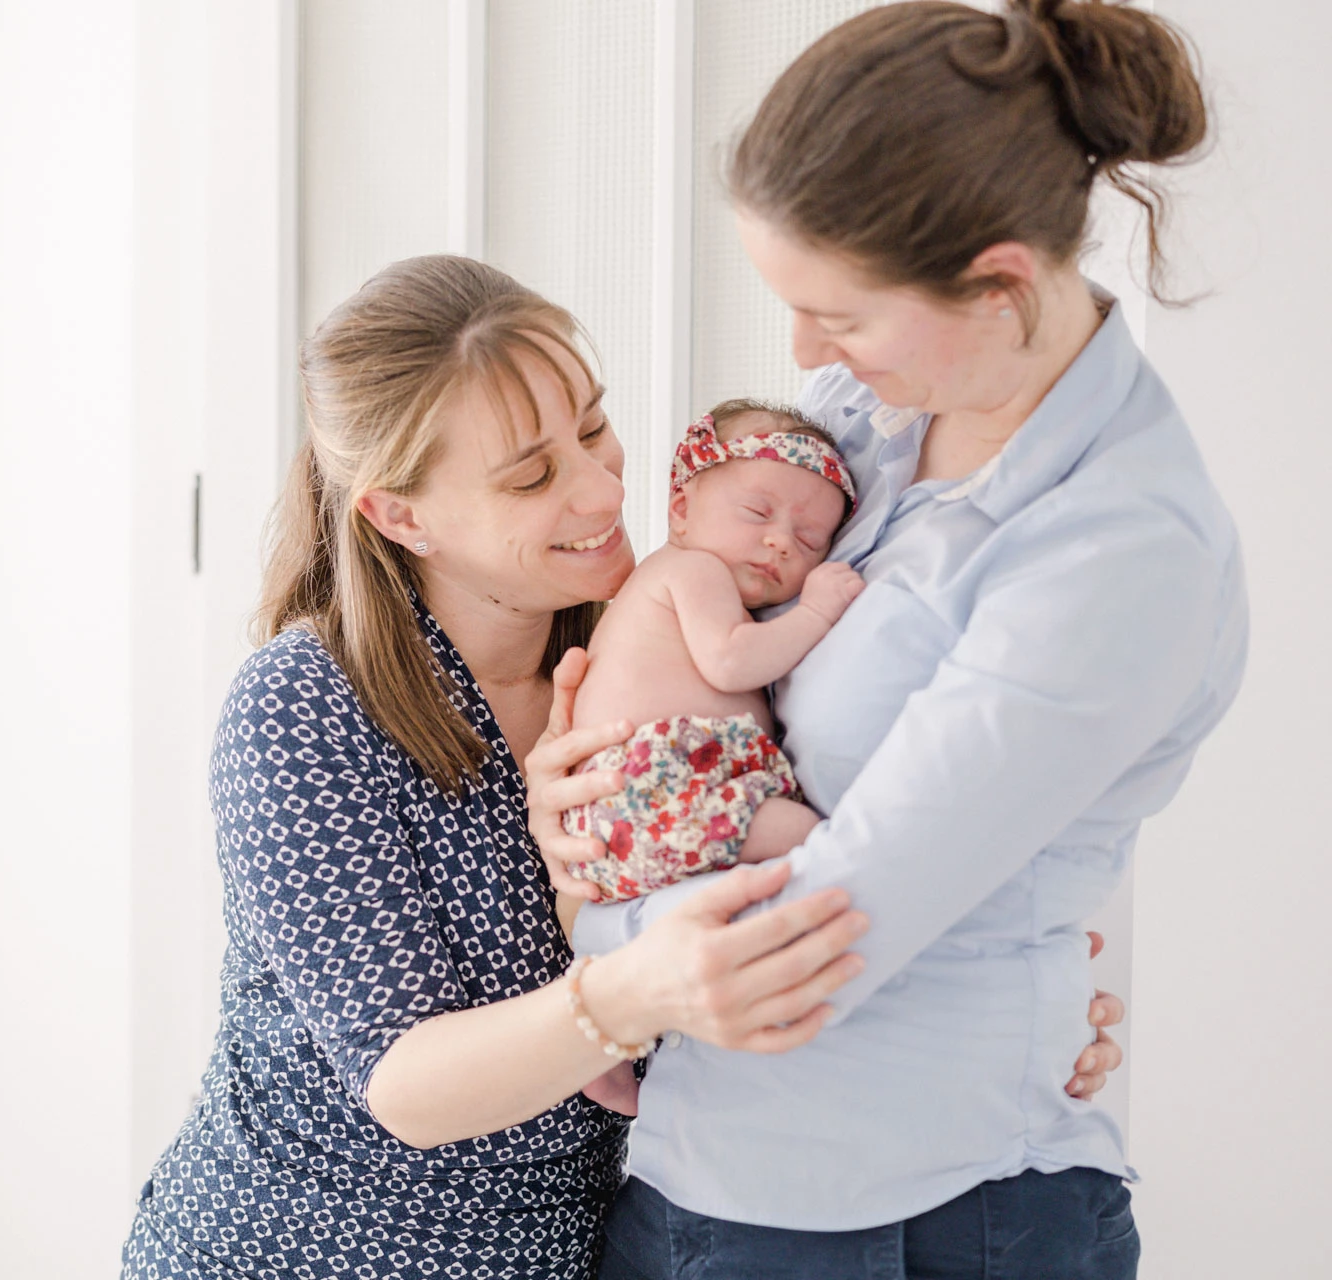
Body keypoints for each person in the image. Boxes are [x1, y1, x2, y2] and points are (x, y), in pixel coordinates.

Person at [121, 254, 1124, 1280]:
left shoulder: (662, 638)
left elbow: (821, 854)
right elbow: (407, 1083)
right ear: (402, 515)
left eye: (595, 426)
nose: (603, 486)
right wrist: (628, 992)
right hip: (292, 1250)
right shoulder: (308, 705)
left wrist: (1006, 998)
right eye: (531, 475)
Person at [531, 2, 1243, 1276]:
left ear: (1001, 281)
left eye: (840, 315)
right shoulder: (871, 407)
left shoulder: (1121, 549)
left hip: (916, 1212)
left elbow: (822, 944)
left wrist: (593, 911)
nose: (805, 354)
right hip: (710, 1167)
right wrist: (578, 796)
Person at [562, 400, 863, 904]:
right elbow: (732, 662)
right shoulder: (692, 570)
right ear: (681, 509)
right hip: (648, 794)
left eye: (810, 540)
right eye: (756, 513)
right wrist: (815, 613)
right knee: (801, 833)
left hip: (636, 812)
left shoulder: (696, 583)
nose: (781, 542)